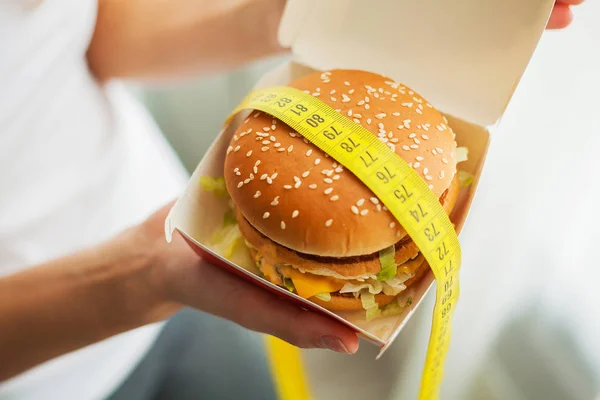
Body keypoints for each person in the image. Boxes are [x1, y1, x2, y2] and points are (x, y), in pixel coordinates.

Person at [0, 0, 582, 399]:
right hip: (49, 360)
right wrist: (139, 277)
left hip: (174, 248)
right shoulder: (151, 272)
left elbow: (93, 39)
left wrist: (318, 7)